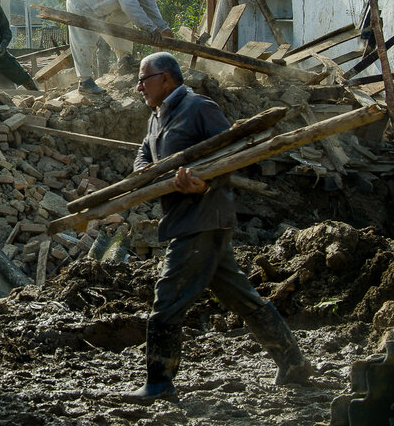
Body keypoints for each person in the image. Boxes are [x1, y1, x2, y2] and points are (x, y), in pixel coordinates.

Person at [122, 52, 311, 404]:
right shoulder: (157, 116)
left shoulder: (199, 107)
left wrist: (205, 185)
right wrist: (143, 172)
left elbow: (231, 154)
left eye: (144, 78)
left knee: (167, 298)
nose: (139, 86)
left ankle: (159, 381)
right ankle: (294, 362)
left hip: (204, 217)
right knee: (240, 296)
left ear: (166, 79)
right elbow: (144, 153)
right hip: (186, 219)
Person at [66, 0, 173, 95]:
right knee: (85, 42)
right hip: (82, 6)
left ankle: (124, 60)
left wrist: (163, 27)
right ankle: (85, 81)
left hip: (104, 9)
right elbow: (130, 5)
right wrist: (151, 28)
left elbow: (148, 3)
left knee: (124, 20)